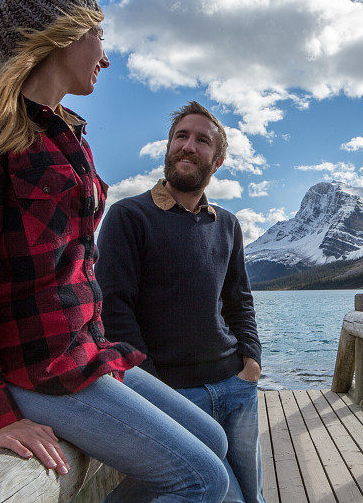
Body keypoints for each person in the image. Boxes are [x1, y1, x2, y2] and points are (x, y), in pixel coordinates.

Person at [0, 0, 229, 501]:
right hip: (34, 368)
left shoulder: (69, 136)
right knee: (201, 478)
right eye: (98, 34)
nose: (105, 56)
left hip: (84, 352)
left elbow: (77, 268)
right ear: (62, 34)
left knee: (213, 438)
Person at [96, 101, 265, 502]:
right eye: (180, 137)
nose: (188, 146)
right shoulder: (128, 216)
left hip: (236, 386)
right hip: (174, 395)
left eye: (201, 140)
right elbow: (114, 310)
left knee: (253, 497)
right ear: (169, 146)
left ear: (217, 160)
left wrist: (251, 359)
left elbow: (239, 299)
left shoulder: (226, 223)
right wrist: (153, 387)